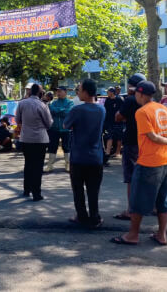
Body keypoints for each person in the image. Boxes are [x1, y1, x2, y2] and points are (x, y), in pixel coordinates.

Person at [111, 81, 167, 245]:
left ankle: (132, 235)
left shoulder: (142, 112)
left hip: (149, 161)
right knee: (163, 200)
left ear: (140, 94)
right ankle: (162, 235)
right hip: (166, 161)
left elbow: (152, 137)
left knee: (137, 199)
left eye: (136, 93)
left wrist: (166, 140)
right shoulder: (164, 109)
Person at [64, 79, 106, 228]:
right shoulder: (102, 109)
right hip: (96, 156)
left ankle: (81, 216)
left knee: (78, 189)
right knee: (93, 190)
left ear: (86, 92)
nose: (78, 92)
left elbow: (66, 125)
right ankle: (95, 217)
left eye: (79, 90)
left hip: (78, 156)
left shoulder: (77, 110)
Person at [113, 73, 146, 221]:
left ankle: (131, 210)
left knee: (131, 177)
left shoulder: (131, 100)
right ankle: (149, 206)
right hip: (147, 142)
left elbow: (118, 117)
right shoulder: (150, 101)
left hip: (132, 141)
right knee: (146, 176)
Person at [15, 83, 53, 201]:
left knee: (28, 164)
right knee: (38, 166)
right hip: (40, 139)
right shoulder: (42, 105)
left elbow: (17, 120)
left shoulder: (21, 103)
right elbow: (49, 123)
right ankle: (37, 193)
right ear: (39, 93)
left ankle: (27, 190)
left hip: (26, 138)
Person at [46, 86, 74, 172]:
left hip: (66, 129)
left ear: (65, 92)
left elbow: (68, 112)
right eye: (57, 91)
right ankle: (50, 165)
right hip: (54, 128)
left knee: (67, 147)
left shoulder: (70, 102)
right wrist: (62, 110)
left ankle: (68, 164)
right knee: (52, 147)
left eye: (60, 91)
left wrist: (57, 111)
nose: (58, 93)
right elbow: (51, 110)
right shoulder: (53, 103)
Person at [103, 87, 123, 160]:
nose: (107, 93)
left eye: (108, 92)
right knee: (109, 136)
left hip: (118, 122)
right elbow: (105, 110)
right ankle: (107, 152)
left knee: (119, 137)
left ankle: (117, 152)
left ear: (112, 92)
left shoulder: (119, 99)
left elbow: (122, 110)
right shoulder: (107, 100)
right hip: (109, 121)